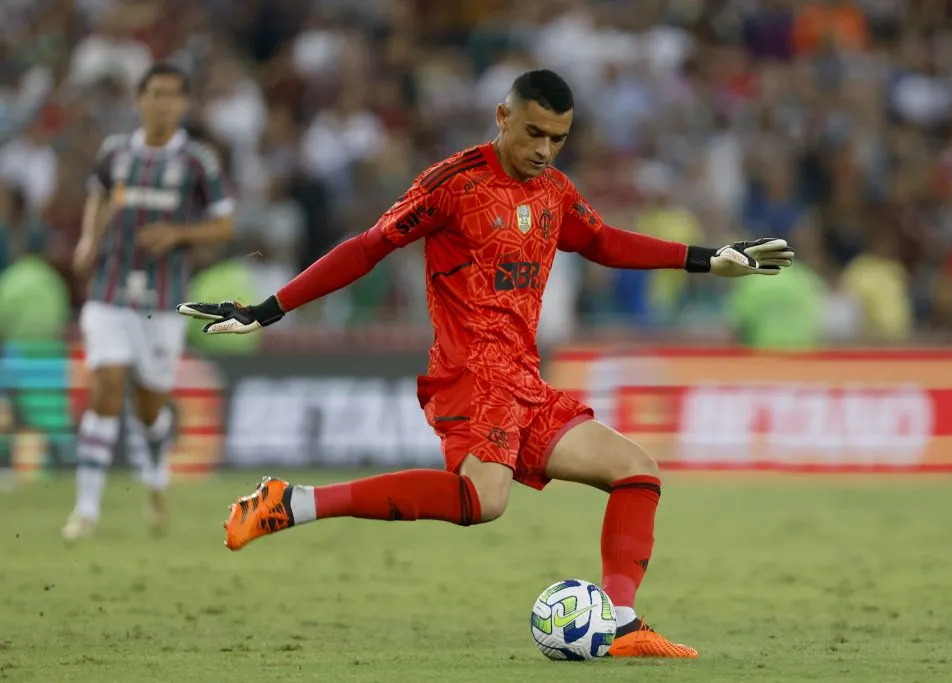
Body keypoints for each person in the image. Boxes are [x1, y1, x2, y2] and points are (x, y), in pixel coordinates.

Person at [180, 70, 793, 658]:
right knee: (486, 499)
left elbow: (602, 241)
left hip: (522, 375)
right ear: (503, 117)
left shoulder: (553, 192)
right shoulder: (453, 184)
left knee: (637, 471)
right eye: (533, 133)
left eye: (558, 138)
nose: (545, 150)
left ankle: (621, 621)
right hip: (472, 371)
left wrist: (709, 259)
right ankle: (294, 501)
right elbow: (368, 248)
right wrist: (268, 308)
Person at [62, 62, 235, 542]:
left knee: (148, 407)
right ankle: (86, 510)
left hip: (163, 299)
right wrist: (86, 242)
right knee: (106, 387)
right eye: (154, 94)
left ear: (183, 104)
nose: (162, 103)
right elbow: (97, 197)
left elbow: (224, 224)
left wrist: (178, 232)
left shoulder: (199, 160)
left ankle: (156, 478)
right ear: (140, 99)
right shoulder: (115, 152)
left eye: (172, 95)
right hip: (109, 292)